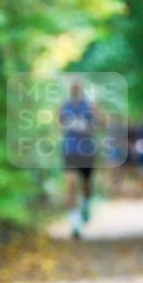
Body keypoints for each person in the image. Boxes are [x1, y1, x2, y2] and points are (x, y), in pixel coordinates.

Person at [58, 79, 97, 238]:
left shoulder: (90, 106)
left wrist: (87, 127)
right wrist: (69, 125)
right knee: (71, 183)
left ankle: (86, 205)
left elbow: (100, 123)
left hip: (87, 150)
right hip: (70, 149)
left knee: (86, 184)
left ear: (81, 89)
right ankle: (74, 224)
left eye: (77, 87)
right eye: (72, 87)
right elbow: (58, 123)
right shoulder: (64, 106)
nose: (75, 89)